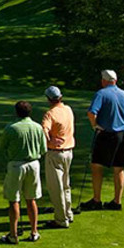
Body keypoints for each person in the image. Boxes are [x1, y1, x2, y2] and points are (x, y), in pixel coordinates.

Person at [79, 70, 124, 212]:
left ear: (104, 80)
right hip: (123, 134)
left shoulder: (101, 94)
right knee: (119, 168)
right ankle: (117, 202)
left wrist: (95, 126)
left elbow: (91, 113)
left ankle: (96, 200)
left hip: (107, 134)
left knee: (96, 166)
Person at [0, 100, 47, 244]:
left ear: (16, 112)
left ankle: (13, 235)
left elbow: (2, 148)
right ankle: (34, 232)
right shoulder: (38, 127)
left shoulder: (11, 128)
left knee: (14, 200)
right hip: (33, 164)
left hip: (16, 165)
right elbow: (43, 149)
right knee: (31, 199)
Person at [41, 85, 75, 228]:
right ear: (60, 97)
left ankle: (61, 219)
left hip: (55, 153)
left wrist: (48, 140)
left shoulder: (50, 114)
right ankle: (68, 213)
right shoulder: (68, 109)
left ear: (49, 99)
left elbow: (44, 130)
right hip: (69, 152)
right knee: (66, 185)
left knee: (56, 188)